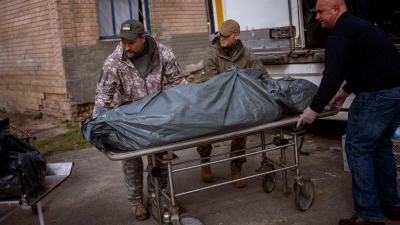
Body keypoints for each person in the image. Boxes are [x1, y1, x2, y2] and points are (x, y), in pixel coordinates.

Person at [297, 0, 400, 224]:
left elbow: (332, 75)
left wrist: (313, 109)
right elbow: (366, 64)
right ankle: (391, 204)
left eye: (321, 12)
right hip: (395, 92)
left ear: (336, 9)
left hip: (376, 95)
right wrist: (345, 92)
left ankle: (368, 215)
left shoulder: (339, 34)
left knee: (357, 148)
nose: (317, 17)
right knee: (381, 147)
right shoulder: (360, 26)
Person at [92, 19, 187, 221]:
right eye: (123, 42)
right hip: (129, 118)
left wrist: (187, 108)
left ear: (143, 37)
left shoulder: (163, 54)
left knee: (162, 157)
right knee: (131, 161)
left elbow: (179, 83)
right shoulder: (114, 61)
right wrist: (98, 121)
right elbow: (103, 95)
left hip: (157, 114)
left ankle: (158, 194)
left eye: (131, 42)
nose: (126, 47)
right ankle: (136, 201)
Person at [199, 19, 270, 188]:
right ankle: (204, 162)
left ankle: (236, 169)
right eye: (220, 35)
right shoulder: (211, 55)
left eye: (226, 36)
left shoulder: (248, 55)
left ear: (236, 36)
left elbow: (264, 77)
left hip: (239, 105)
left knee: (240, 133)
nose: (221, 38)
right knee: (203, 130)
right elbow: (211, 84)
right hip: (215, 103)